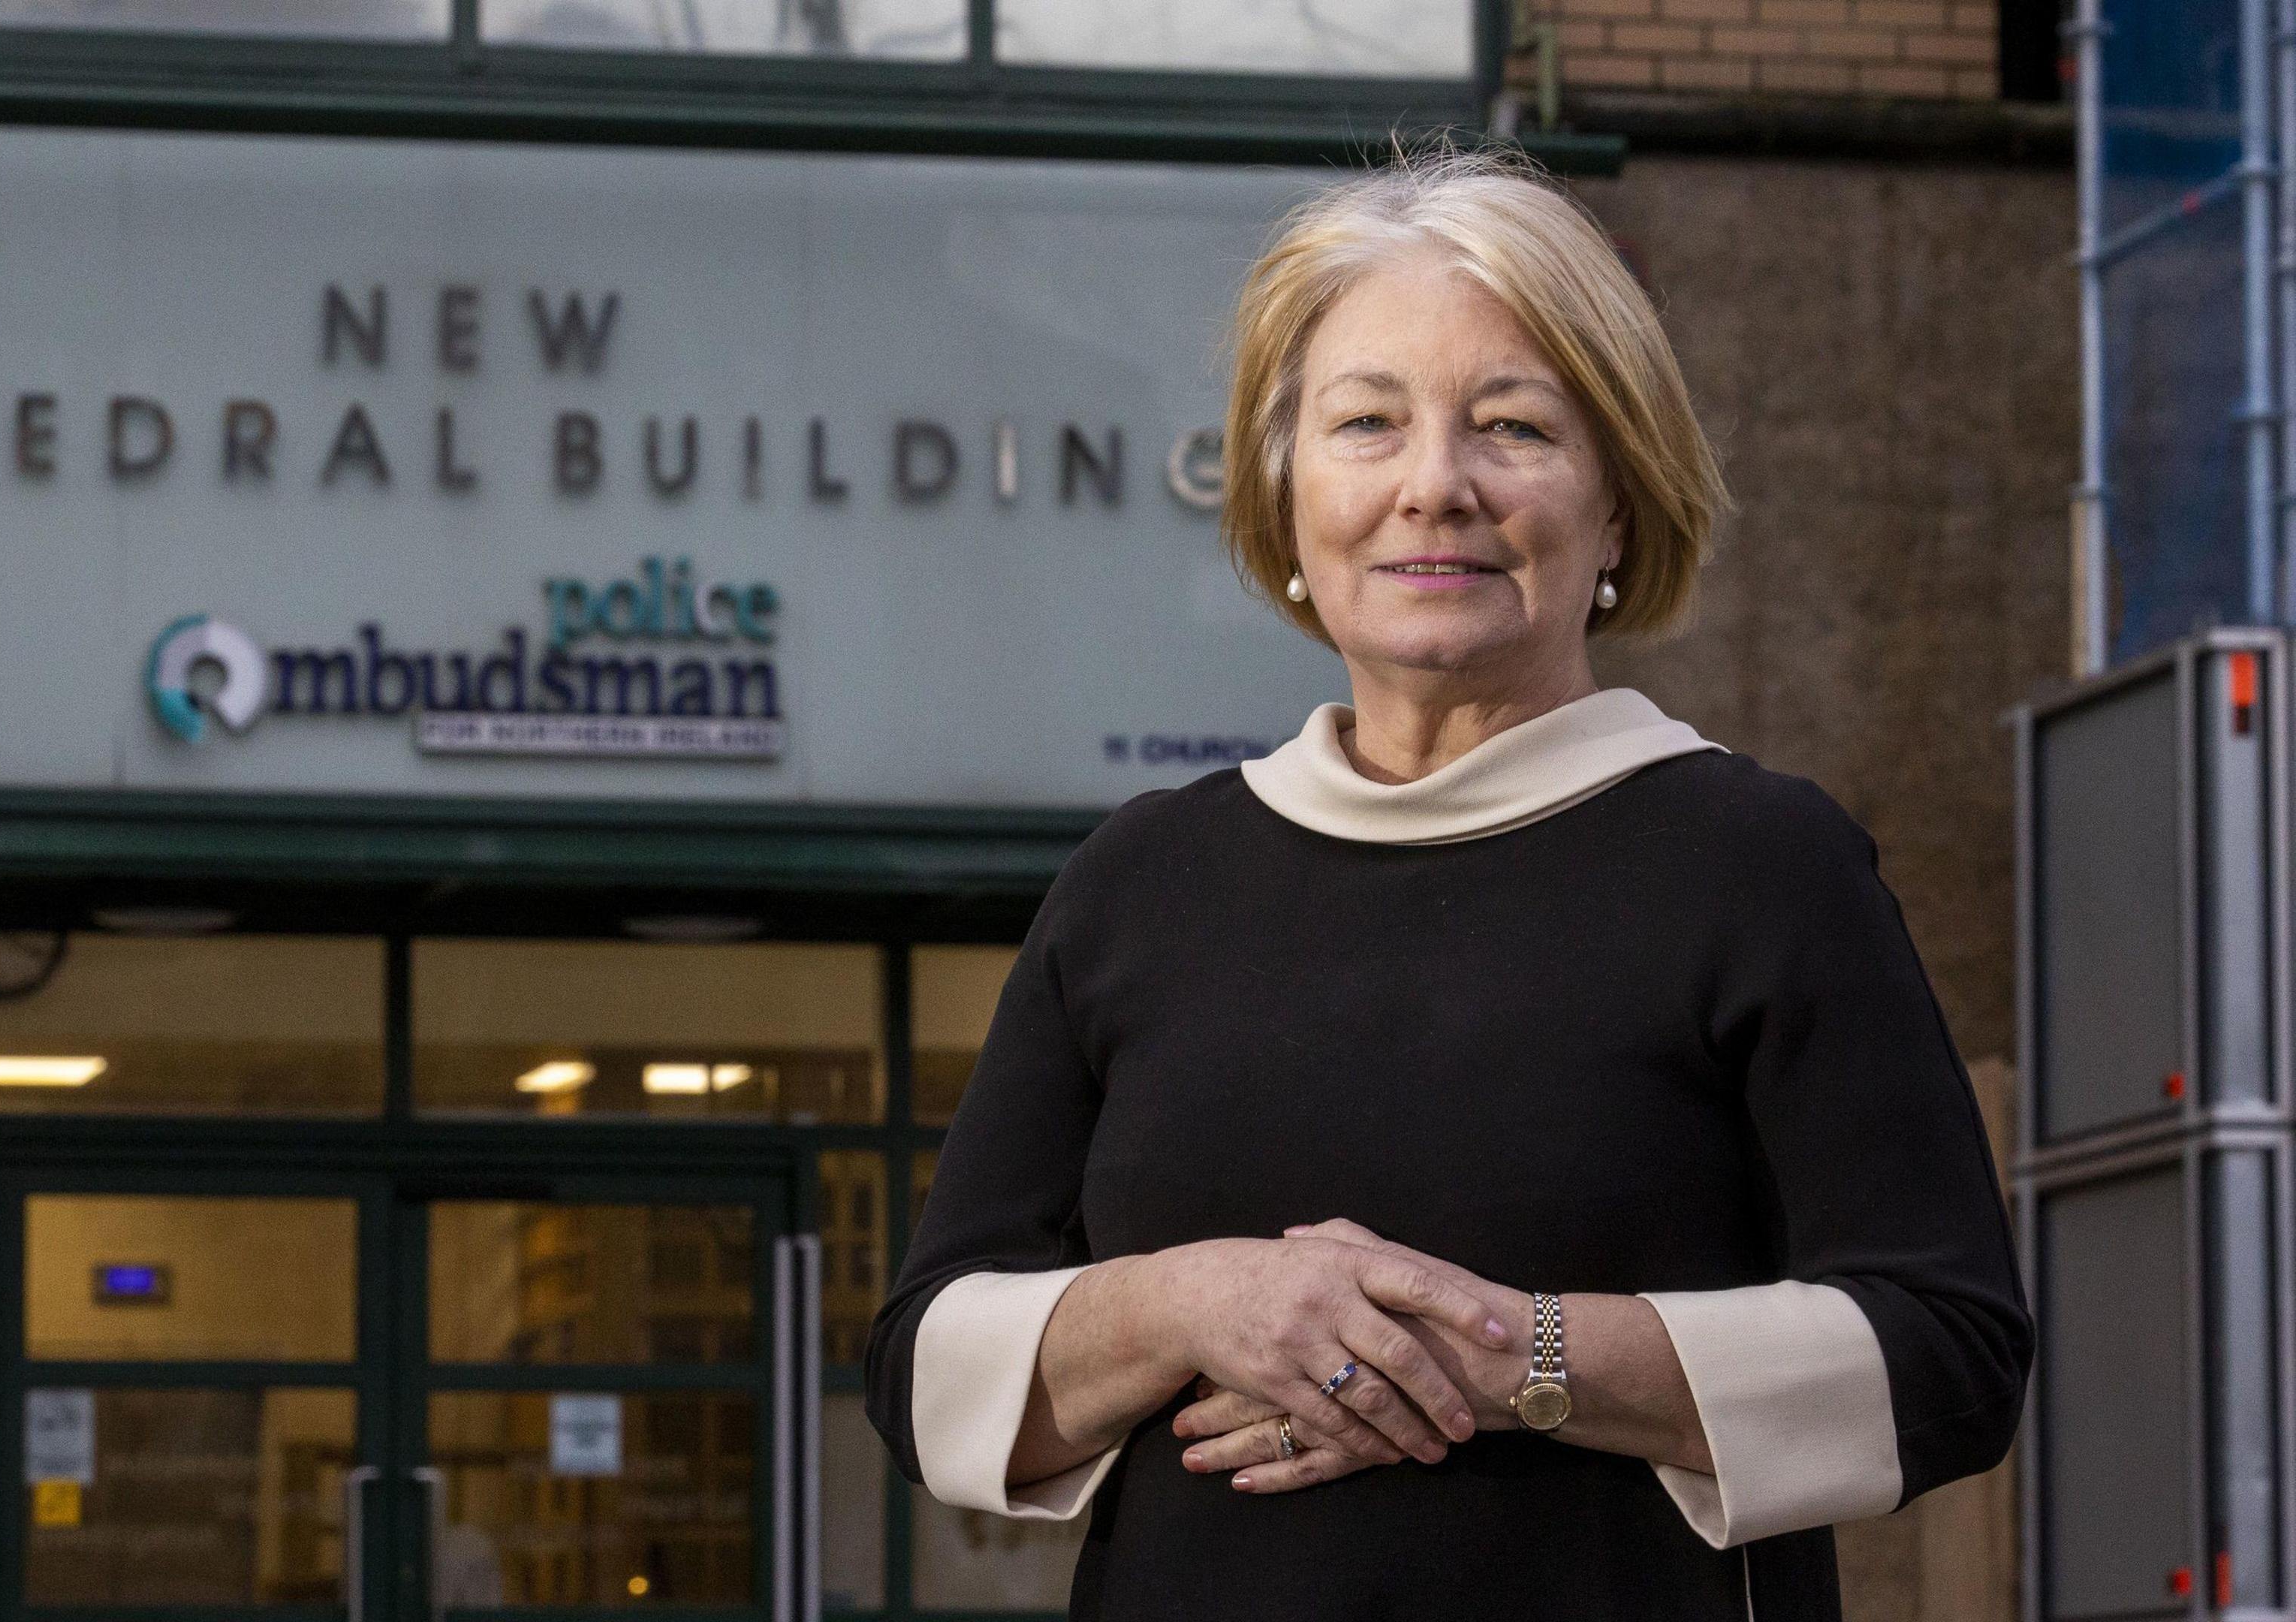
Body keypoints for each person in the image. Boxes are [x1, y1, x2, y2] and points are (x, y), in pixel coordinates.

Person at [862, 147, 2031, 1621]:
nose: (1437, 486)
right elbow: (921, 1373)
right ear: (1289, 494)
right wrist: (1194, 1302)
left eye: (1514, 427)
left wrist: (1513, 1359)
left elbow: (1952, 1356)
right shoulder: (1139, 883)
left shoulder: (1763, 864)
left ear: (1617, 504)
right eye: (1366, 424)